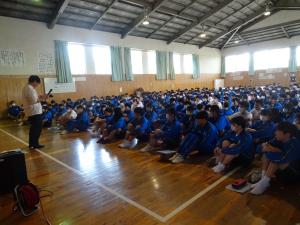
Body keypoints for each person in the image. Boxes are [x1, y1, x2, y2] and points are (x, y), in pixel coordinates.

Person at [250, 122, 300, 195]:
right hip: (280, 168)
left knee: (275, 160)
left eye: (278, 131)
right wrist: (273, 149)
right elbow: (260, 148)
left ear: (287, 134)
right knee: (268, 155)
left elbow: (282, 159)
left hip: (292, 174)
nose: (275, 132)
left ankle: (264, 182)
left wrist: (271, 149)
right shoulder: (278, 139)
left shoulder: (294, 144)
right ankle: (263, 179)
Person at [22, 75, 48, 150]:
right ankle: (33, 144)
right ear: (34, 81)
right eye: (37, 83)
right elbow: (34, 100)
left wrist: (40, 96)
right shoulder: (29, 89)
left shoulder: (28, 88)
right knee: (36, 129)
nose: (37, 85)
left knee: (35, 128)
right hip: (34, 112)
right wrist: (43, 98)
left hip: (33, 111)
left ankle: (34, 144)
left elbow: (34, 98)